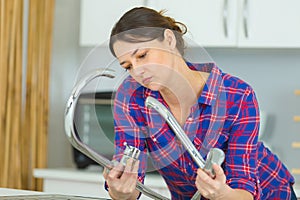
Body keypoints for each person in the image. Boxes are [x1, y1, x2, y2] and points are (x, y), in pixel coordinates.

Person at [102, 7, 296, 200]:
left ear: (169, 40)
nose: (137, 71)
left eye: (142, 55)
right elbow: (131, 182)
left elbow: (243, 192)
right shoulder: (132, 97)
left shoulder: (237, 95)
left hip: (267, 193)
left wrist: (221, 193)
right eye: (127, 66)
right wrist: (120, 190)